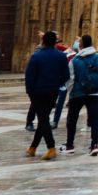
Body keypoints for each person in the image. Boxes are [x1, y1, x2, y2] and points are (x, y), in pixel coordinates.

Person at [24, 31, 69, 161]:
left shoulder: (36, 56)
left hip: (37, 93)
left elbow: (29, 76)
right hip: (53, 92)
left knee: (43, 120)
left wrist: (29, 91)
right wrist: (57, 84)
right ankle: (33, 147)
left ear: (43, 41)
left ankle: (51, 148)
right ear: (55, 42)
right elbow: (66, 76)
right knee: (43, 119)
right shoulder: (61, 56)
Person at [60, 34, 98, 156]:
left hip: (77, 93)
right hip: (94, 93)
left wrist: (72, 90)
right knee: (95, 120)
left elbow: (70, 79)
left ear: (80, 45)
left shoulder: (75, 60)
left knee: (72, 119)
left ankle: (69, 145)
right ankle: (94, 145)